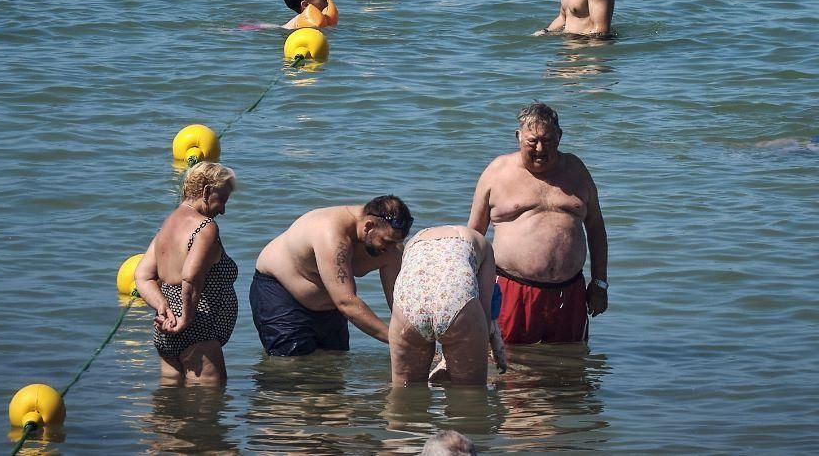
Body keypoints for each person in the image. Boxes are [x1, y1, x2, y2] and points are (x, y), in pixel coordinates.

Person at [468, 103, 607, 345]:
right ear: (518, 137)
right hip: (511, 289)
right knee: (508, 360)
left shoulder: (576, 170)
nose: (540, 148)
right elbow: (473, 237)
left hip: (569, 292)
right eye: (532, 141)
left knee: (571, 362)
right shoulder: (497, 172)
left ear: (560, 136)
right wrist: (468, 290)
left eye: (548, 140)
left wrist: (599, 283)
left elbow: (596, 229)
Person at [250, 196, 411, 356]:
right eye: (387, 241)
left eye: (397, 242)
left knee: (334, 364)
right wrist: (397, 341)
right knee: (292, 366)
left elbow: (399, 306)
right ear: (368, 226)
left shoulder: (392, 248)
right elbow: (346, 302)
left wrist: (415, 340)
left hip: (330, 310)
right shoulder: (331, 234)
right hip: (281, 295)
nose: (391, 248)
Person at [133, 161, 240, 385]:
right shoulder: (205, 227)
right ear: (206, 191)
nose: (223, 210)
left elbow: (143, 275)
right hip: (198, 333)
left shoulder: (168, 224)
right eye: (222, 200)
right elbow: (190, 277)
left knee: (169, 402)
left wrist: (163, 307)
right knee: (207, 405)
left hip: (165, 331)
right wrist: (185, 319)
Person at [389, 225, 508, 386]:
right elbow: (485, 309)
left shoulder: (413, 241)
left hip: (409, 304)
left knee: (404, 392)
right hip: (456, 297)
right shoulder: (483, 244)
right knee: (469, 394)